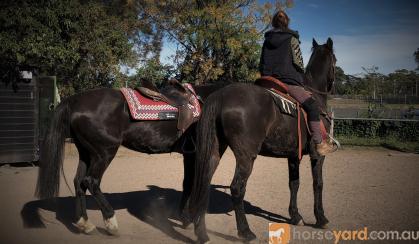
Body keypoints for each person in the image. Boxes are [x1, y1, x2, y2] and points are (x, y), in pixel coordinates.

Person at [259, 10, 336, 155]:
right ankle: (319, 143)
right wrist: (298, 78)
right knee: (312, 106)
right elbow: (299, 63)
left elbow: (261, 63)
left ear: (273, 23)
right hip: (287, 82)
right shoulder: (292, 39)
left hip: (267, 82)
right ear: (287, 22)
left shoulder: (267, 39)